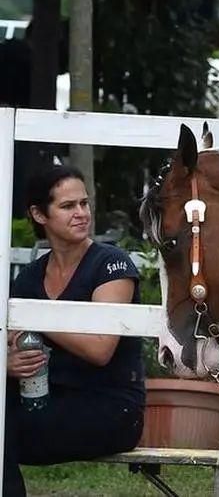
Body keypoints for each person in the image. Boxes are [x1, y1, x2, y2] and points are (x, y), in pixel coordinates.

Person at [5, 164, 146, 496]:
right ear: (40, 215)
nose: (82, 213)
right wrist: (8, 364)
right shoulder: (29, 278)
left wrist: (38, 317)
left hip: (111, 409)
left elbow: (100, 348)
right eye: (68, 206)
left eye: (84, 203)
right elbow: (11, 339)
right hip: (47, 402)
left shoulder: (112, 265)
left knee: (1, 432)